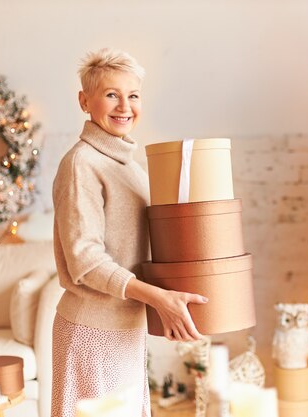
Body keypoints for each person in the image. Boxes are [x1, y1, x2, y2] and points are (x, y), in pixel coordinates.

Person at [50, 48, 207, 417]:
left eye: (133, 95)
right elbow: (85, 262)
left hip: (127, 327)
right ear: (84, 101)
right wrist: (157, 298)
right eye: (111, 94)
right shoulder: (81, 164)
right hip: (91, 331)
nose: (125, 105)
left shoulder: (130, 167)